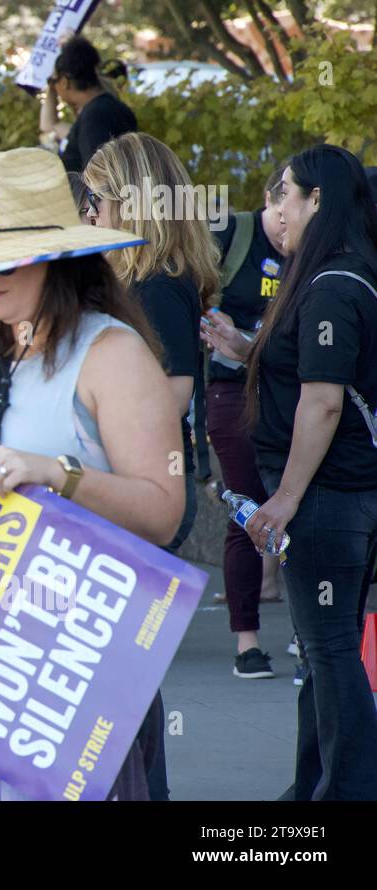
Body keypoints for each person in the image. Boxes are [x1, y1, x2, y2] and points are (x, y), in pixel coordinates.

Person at [0, 146, 185, 800]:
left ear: (57, 256)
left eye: (6, 259)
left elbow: (165, 509)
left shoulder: (113, 354)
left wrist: (59, 474)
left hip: (75, 669)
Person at [206, 144, 377, 800]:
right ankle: (315, 786)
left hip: (330, 498)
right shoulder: (336, 274)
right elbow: (314, 374)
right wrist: (247, 350)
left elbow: (325, 398)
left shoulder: (334, 283)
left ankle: (348, 791)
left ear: (318, 202)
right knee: (320, 649)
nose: (277, 208)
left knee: (330, 651)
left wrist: (285, 497)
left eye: (286, 194)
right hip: (339, 495)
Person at [83, 132, 220, 555]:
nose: (88, 214)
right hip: (135, 475)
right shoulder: (139, 280)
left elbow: (177, 393)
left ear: (131, 204)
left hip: (144, 481)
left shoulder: (158, 285)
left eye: (96, 200)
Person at [199, 165, 292, 681]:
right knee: (245, 505)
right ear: (268, 200)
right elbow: (189, 299)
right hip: (233, 390)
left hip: (292, 389)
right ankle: (247, 641)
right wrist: (221, 333)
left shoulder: (310, 249)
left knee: (299, 506)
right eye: (280, 214)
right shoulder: (232, 235)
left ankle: (308, 634)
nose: (285, 227)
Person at [40, 36, 137, 174]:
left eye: (55, 82)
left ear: (65, 82)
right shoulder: (105, 109)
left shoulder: (95, 117)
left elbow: (98, 177)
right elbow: (49, 125)